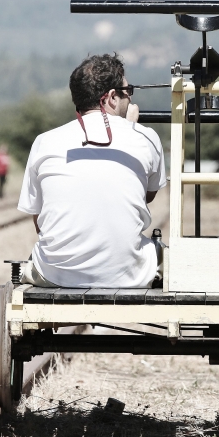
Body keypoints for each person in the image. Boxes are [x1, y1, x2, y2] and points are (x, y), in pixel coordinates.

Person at [17, 53, 167, 288]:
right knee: (162, 252)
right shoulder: (146, 137)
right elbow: (147, 194)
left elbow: (39, 221)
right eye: (128, 91)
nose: (130, 98)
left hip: (55, 274)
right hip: (130, 275)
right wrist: (130, 127)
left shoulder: (44, 141)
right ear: (112, 97)